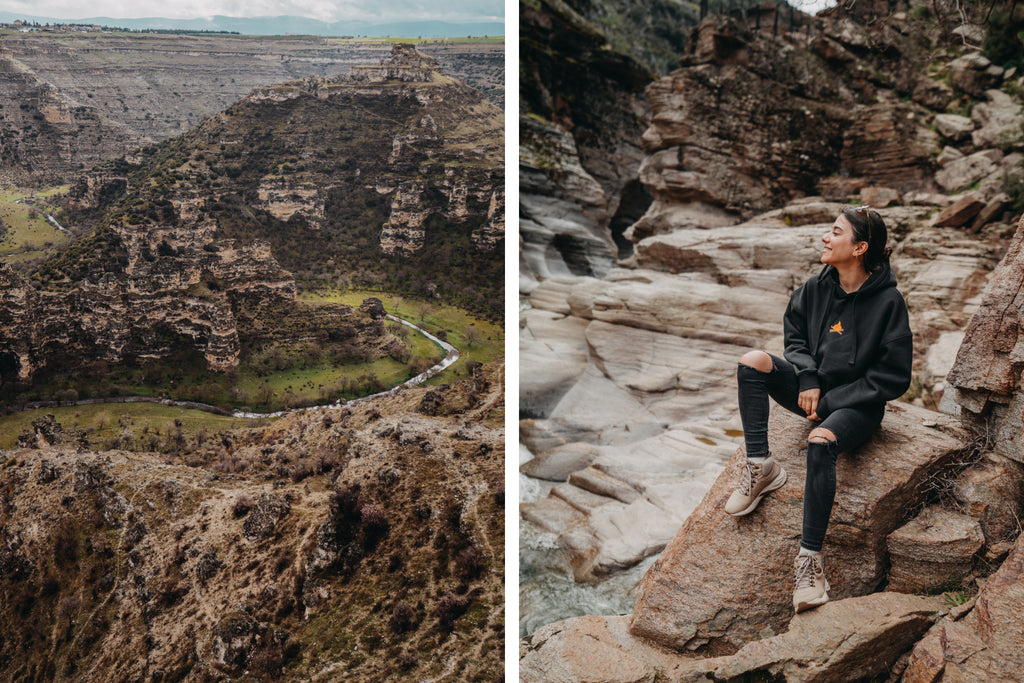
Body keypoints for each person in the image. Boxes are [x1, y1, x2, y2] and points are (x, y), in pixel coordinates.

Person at [722, 206, 912, 613]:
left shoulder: (890, 302)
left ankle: (810, 564)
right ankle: (761, 466)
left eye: (835, 232)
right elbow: (794, 338)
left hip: (857, 407)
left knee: (819, 441)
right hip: (814, 391)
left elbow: (894, 377)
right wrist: (807, 378)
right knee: (753, 361)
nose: (826, 238)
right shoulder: (815, 286)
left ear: (859, 247)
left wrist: (831, 402)